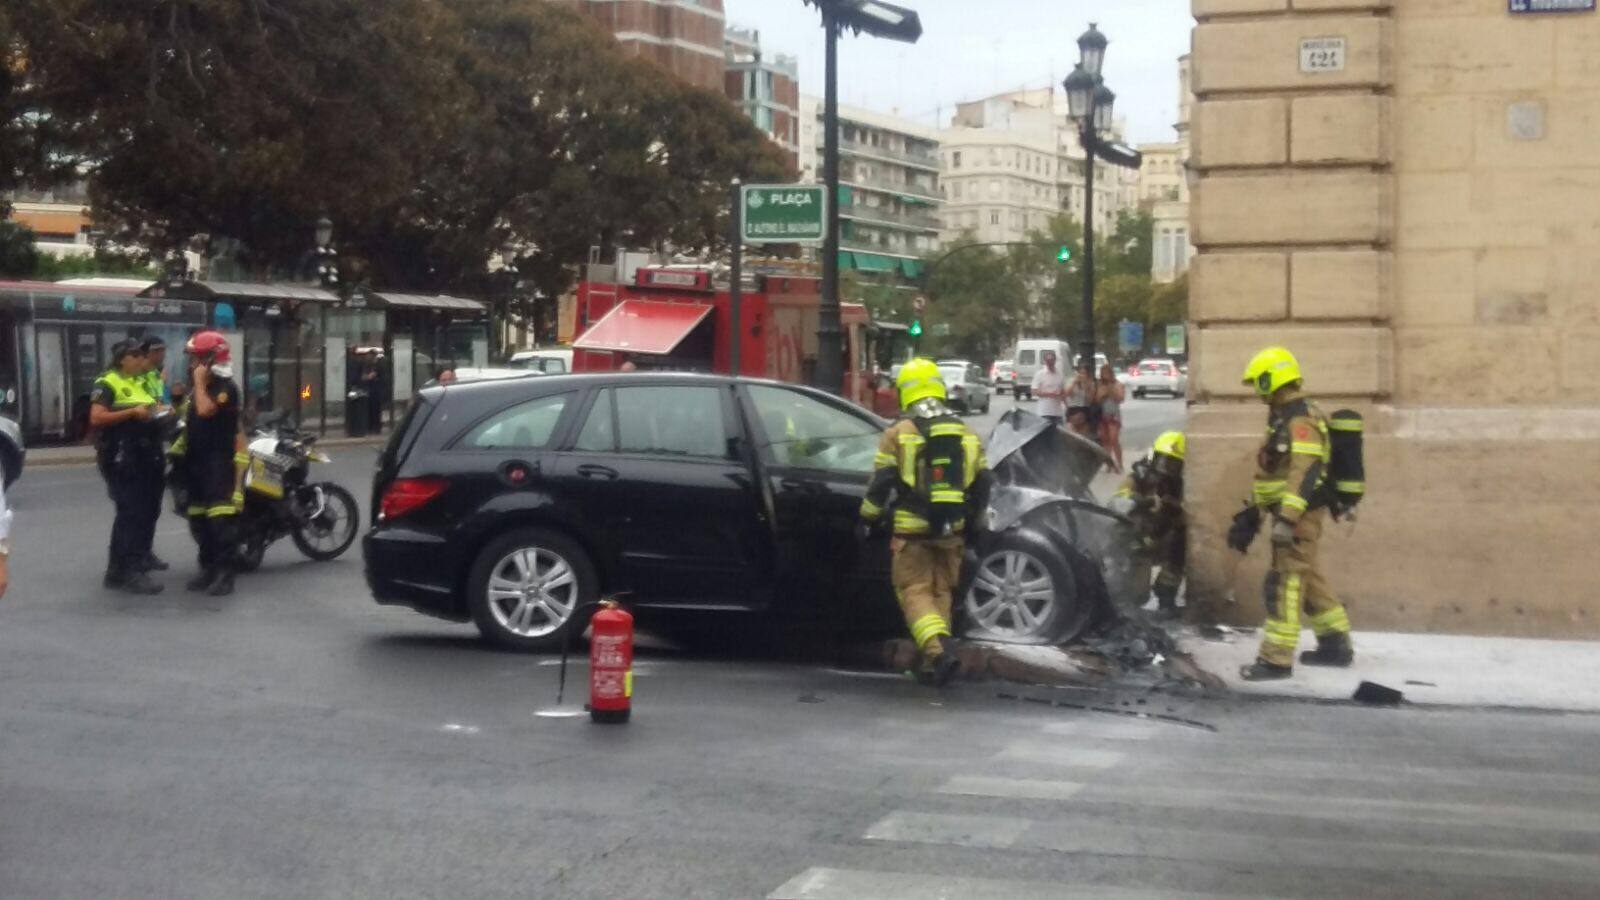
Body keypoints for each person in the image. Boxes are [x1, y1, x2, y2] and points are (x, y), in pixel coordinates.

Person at [857, 359, 993, 687]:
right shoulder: (966, 433)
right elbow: (983, 482)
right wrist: (973, 522)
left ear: (906, 391)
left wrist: (867, 518)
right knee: (940, 592)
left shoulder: (899, 434)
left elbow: (882, 483)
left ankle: (939, 651)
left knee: (914, 592)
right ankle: (935, 661)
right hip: (953, 529)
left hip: (912, 529)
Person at [1228, 346, 1355, 681]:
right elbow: (1275, 472)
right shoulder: (1284, 416)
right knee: (1307, 575)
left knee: (1283, 582)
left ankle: (1276, 660)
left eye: (1259, 383)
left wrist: (1287, 517)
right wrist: (1253, 512)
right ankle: (1335, 643)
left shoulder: (1300, 418)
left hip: (1298, 517)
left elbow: (1305, 470)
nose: (1257, 391)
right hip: (1291, 514)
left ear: (1273, 379)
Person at [89, 339, 165, 594]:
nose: (139, 359)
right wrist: (132, 413)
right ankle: (131, 570)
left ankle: (118, 569)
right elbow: (97, 417)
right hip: (122, 456)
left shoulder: (137, 381)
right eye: (135, 355)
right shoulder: (107, 382)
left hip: (144, 454)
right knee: (131, 512)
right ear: (122, 359)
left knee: (139, 512)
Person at [180, 331, 245, 596]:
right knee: (199, 519)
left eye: (196, 358)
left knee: (219, 521)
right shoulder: (200, 387)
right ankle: (207, 569)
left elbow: (206, 410)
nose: (191, 364)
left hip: (217, 463)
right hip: (196, 460)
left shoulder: (224, 389)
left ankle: (225, 574)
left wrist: (198, 383)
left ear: (210, 359)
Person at [1110, 431, 1186, 618]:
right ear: (1153, 456)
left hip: (1158, 539)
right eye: (1163, 460)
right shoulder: (1138, 477)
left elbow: (1183, 520)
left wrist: (1175, 509)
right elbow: (1117, 504)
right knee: (1135, 595)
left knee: (1179, 546)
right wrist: (1141, 501)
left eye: (1173, 464)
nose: (1166, 468)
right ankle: (1120, 598)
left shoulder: (1179, 487)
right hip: (1133, 541)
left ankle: (1166, 598)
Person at [136, 335, 172, 572]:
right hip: (140, 444)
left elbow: (160, 403)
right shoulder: (138, 378)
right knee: (139, 508)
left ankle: (146, 552)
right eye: (156, 351)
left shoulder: (155, 376)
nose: (161, 355)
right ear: (146, 354)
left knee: (153, 506)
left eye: (163, 350)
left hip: (156, 442)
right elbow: (148, 407)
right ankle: (137, 555)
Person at [1095, 363, 1126, 473]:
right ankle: (1109, 463)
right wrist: (1102, 393)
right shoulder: (1100, 385)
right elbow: (1097, 399)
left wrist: (1110, 389)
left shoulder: (1118, 384)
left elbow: (1120, 398)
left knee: (1114, 440)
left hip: (1113, 414)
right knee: (1105, 441)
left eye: (1107, 373)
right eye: (1103, 374)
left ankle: (1119, 463)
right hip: (1103, 414)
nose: (1105, 376)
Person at [1029, 350, 1066, 426]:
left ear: (1055, 360)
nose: (1050, 362)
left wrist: (1063, 398)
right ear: (1045, 361)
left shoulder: (1060, 374)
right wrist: (1050, 394)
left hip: (1057, 412)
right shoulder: (1040, 374)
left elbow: (1063, 391)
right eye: (1048, 360)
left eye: (1052, 360)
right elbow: (1034, 391)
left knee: (1058, 435)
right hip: (1044, 411)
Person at [1064, 364, 1095, 436]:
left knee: (1083, 435)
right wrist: (1075, 383)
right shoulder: (1071, 381)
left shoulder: (1090, 383)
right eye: (1080, 373)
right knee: (1071, 434)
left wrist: (1086, 386)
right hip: (1072, 408)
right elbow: (1067, 394)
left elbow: (1090, 399)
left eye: (1084, 373)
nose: (1082, 375)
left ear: (1087, 374)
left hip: (1084, 409)